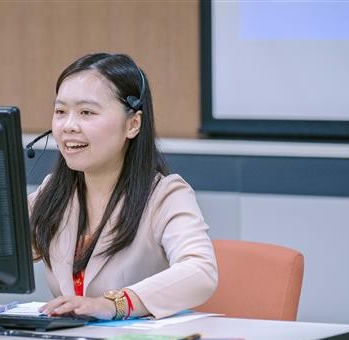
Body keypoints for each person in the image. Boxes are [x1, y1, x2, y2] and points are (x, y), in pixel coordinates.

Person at [30, 53, 218, 320]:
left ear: (132, 124)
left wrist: (113, 305)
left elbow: (200, 272)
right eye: (61, 112)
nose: (68, 126)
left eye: (86, 112)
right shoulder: (54, 192)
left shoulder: (165, 195)